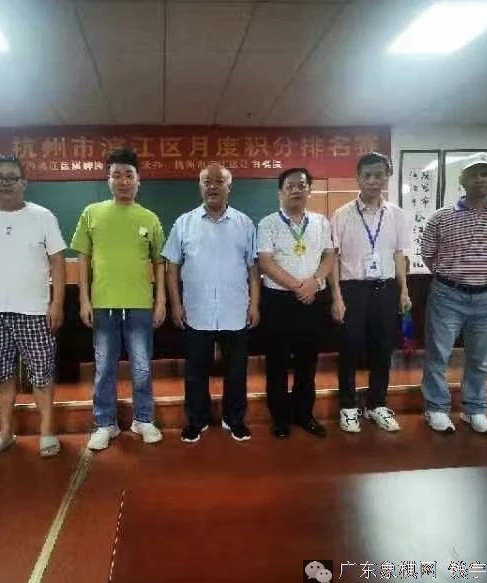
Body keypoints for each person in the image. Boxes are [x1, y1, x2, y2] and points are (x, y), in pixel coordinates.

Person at [0, 153, 66, 459]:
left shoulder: (42, 216)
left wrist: (57, 303)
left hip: (34, 311)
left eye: (11, 178)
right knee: (0, 374)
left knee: (42, 374)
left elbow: (57, 260)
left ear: (24, 182)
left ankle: (47, 430)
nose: (5, 183)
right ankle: (5, 432)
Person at [71, 148, 166, 451]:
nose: (123, 181)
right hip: (103, 304)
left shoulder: (149, 218)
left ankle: (143, 419)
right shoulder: (92, 213)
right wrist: (84, 300)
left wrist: (161, 301)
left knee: (142, 367)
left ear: (138, 181)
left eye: (129, 175)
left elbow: (160, 262)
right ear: (108, 180)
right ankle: (105, 423)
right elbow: (82, 258)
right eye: (116, 175)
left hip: (140, 304)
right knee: (104, 368)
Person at [420, 156, 487, 435]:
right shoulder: (441, 217)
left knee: (480, 359)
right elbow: (428, 254)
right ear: (462, 181)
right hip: (447, 296)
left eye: (485, 173)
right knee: (438, 355)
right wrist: (454, 276)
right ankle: (436, 408)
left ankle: (474, 409)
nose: (479, 179)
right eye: (473, 174)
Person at [163, 164, 259, 443]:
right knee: (195, 372)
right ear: (200, 186)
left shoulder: (244, 223)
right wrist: (176, 304)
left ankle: (235, 419)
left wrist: (254, 304)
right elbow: (171, 266)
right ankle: (197, 420)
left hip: (235, 310)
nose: (213, 186)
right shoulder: (184, 223)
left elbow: (253, 268)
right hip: (197, 311)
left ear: (229, 186)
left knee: (236, 371)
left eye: (219, 181)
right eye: (207, 181)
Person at [329, 152, 412, 434]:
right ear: (358, 178)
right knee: (349, 348)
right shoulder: (342, 214)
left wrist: (403, 290)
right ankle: (348, 406)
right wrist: (337, 296)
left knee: (383, 348)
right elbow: (333, 258)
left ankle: (377, 403)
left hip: (386, 289)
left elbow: (399, 255)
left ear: (387, 177)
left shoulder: (396, 214)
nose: (373, 181)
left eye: (379, 175)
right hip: (353, 290)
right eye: (367, 175)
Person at [257, 168, 335, 439]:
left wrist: (315, 281)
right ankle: (280, 418)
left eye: (301, 185)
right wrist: (297, 286)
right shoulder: (268, 223)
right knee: (277, 363)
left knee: (307, 362)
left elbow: (329, 256)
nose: (296, 190)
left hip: (313, 299)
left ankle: (304, 414)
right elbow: (265, 262)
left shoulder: (321, 222)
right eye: (289, 186)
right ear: (280, 192)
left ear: (309, 190)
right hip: (279, 301)